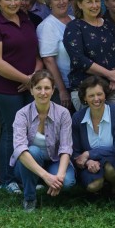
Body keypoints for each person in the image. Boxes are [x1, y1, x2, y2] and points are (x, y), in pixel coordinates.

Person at [0, 0, 44, 193]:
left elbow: (36, 54)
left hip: (28, 86)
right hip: (3, 88)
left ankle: (26, 173)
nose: (13, 3)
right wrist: (25, 80)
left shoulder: (27, 20)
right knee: (11, 131)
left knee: (29, 131)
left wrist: (33, 77)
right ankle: (7, 178)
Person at [11, 70, 76, 211]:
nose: (43, 92)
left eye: (47, 88)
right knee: (32, 150)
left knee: (67, 182)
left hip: (54, 161)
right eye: (38, 88)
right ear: (31, 90)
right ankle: (29, 198)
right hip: (27, 164)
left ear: (53, 91)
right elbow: (20, 150)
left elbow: (66, 147)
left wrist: (59, 176)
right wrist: (46, 176)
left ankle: (48, 184)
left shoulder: (63, 113)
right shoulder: (22, 114)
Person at [63, 0, 115, 110]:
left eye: (97, 1)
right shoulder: (74, 27)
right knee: (92, 128)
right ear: (80, 4)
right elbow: (79, 60)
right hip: (88, 92)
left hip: (113, 89)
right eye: (89, 2)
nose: (95, 5)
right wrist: (109, 74)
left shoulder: (108, 24)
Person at [71, 75, 115, 197]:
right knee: (93, 186)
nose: (96, 99)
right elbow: (75, 152)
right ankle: (101, 187)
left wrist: (89, 154)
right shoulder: (77, 118)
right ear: (84, 98)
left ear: (105, 95)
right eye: (91, 95)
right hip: (90, 164)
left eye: (99, 94)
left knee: (109, 168)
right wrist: (88, 162)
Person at [37, 0, 74, 109]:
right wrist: (62, 90)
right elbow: (48, 60)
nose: (61, 2)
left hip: (80, 83)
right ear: (49, 3)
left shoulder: (76, 21)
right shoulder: (47, 26)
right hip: (63, 87)